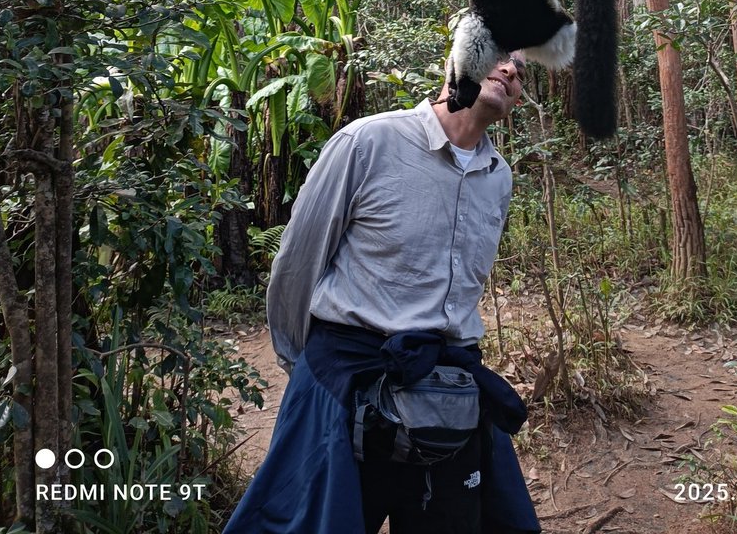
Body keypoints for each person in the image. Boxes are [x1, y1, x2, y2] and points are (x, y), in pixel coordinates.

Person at [223, 53, 541, 534]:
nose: (511, 70)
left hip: (448, 388)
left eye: (520, 66)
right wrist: (307, 371)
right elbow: (297, 264)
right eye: (496, 53)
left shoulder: (498, 176)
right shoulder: (368, 142)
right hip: (347, 379)